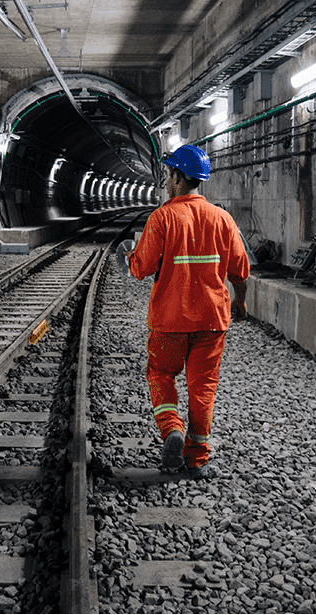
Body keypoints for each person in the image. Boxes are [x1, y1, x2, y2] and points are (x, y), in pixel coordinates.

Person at [125, 144, 249, 480]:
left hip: (170, 320)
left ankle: (171, 429)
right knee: (203, 386)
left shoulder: (163, 217)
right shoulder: (222, 219)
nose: (167, 181)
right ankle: (197, 458)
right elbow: (240, 269)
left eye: (168, 175)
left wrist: (130, 257)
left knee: (161, 375)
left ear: (178, 177)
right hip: (212, 321)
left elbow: (141, 268)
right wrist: (240, 302)